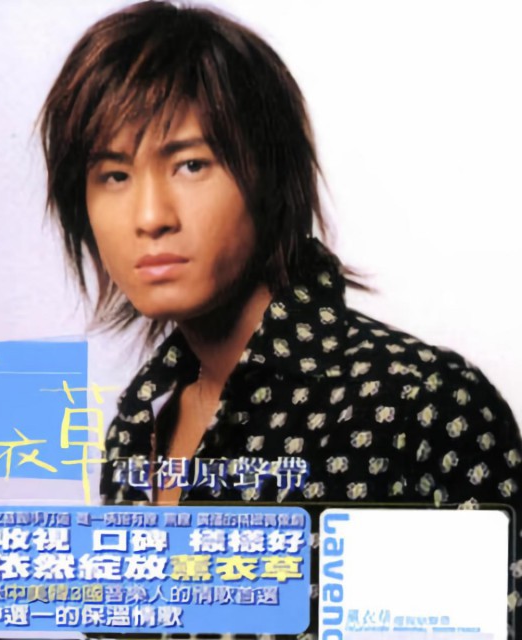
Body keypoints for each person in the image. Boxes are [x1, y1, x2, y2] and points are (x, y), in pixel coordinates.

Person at [40, 1, 522, 637]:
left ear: (267, 176)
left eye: (191, 164)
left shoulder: (416, 406)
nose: (150, 216)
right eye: (114, 175)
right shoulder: (137, 427)